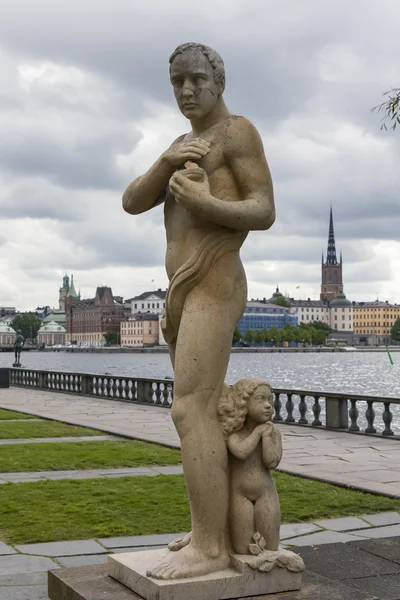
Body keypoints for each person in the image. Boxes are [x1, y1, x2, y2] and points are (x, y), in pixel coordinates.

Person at [122, 42, 275, 580]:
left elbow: (264, 208)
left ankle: (209, 549)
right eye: (176, 83)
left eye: (195, 80)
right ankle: (206, 527)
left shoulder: (238, 132)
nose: (186, 91)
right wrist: (165, 161)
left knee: (190, 409)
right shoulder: (182, 144)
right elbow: (132, 200)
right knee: (202, 415)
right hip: (180, 290)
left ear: (218, 81)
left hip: (215, 279)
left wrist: (206, 205)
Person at [218, 379, 282, 554]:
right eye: (261, 399)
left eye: (270, 400)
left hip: (266, 492)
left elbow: (271, 462)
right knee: (242, 548)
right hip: (239, 494)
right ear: (243, 403)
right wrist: (258, 433)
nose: (268, 405)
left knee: (271, 546)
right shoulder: (234, 433)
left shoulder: (272, 432)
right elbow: (241, 452)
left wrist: (267, 437)